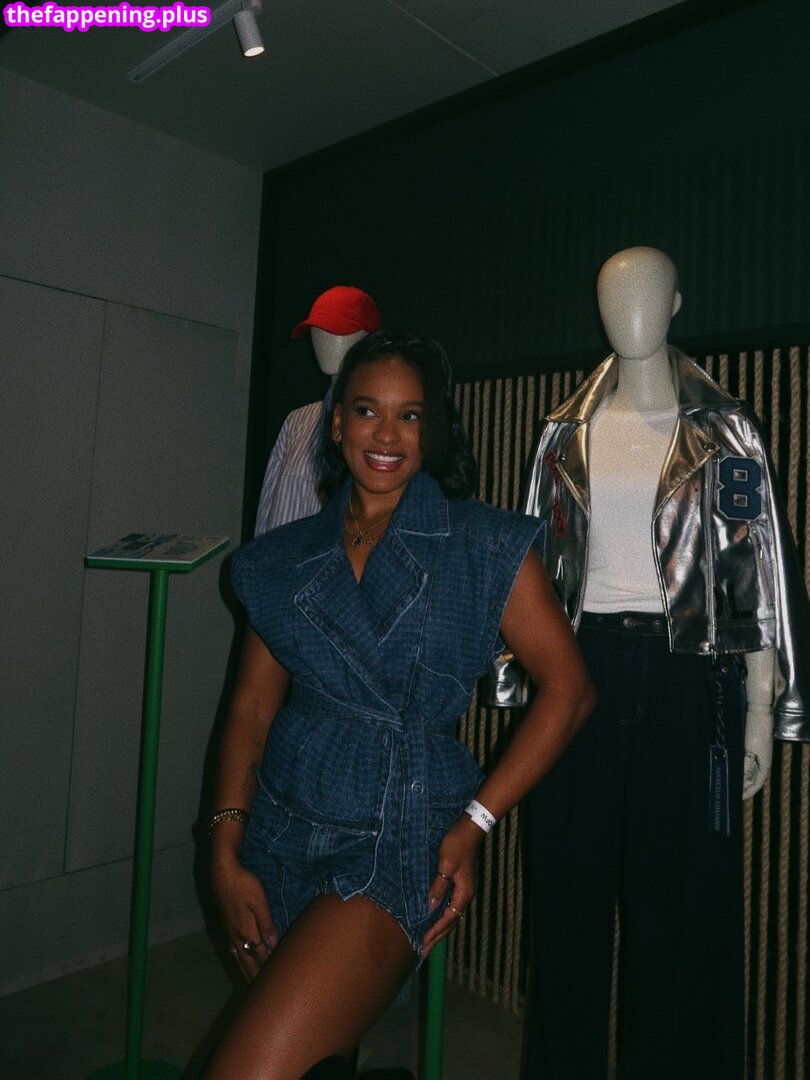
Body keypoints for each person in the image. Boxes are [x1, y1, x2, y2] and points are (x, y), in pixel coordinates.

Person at [205, 330, 596, 1079]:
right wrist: (224, 847)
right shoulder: (283, 557)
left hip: (397, 835)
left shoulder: (482, 543)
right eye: (367, 411)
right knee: (315, 1055)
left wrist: (477, 823)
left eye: (409, 416)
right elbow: (251, 710)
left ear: (432, 429)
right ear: (337, 424)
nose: (386, 435)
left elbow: (570, 693)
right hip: (281, 827)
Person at [520, 247, 810, 1080]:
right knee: (565, 896)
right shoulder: (563, 432)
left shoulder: (724, 429)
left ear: (677, 303)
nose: (632, 308)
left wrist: (761, 705)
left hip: (692, 676)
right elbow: (533, 562)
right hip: (579, 669)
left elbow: (758, 568)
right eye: (614, 293)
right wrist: (523, 672)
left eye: (647, 292)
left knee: (685, 911)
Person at [254, 285, 381, 534]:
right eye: (317, 330)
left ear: (367, 339)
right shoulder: (297, 421)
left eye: (337, 331)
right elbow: (268, 510)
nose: (323, 340)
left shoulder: (384, 430)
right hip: (284, 556)